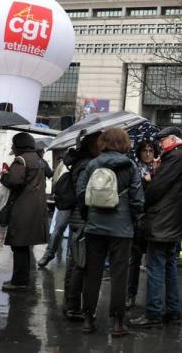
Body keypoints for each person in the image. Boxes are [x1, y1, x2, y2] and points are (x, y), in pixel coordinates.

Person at [76, 128, 144, 336]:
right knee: (119, 276)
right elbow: (137, 199)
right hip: (121, 230)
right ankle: (117, 323)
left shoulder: (92, 165)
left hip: (95, 227)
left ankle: (88, 319)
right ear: (124, 143)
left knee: (92, 273)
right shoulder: (130, 166)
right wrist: (132, 220)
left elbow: (81, 193)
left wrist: (89, 216)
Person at [129, 127, 182, 328]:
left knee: (156, 268)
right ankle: (172, 311)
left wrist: (150, 182)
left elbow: (158, 188)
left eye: (162, 141)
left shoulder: (176, 157)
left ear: (173, 139)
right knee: (169, 266)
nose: (159, 145)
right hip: (173, 221)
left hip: (161, 221)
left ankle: (153, 313)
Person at [0, 133, 49, 291]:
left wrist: (4, 177)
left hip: (23, 208)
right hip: (36, 207)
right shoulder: (38, 160)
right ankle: (22, 279)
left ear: (19, 145)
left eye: (14, 145)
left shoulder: (21, 160)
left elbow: (14, 181)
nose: (12, 148)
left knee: (19, 244)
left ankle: (19, 282)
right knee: (24, 245)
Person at [62, 132, 101, 321]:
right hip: (82, 218)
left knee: (75, 261)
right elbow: (84, 193)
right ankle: (72, 306)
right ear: (92, 145)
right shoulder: (87, 164)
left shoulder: (82, 162)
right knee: (80, 263)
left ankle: (69, 303)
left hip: (79, 217)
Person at [126, 139, 156, 309]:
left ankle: (152, 301)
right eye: (144, 150)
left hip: (153, 219)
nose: (147, 153)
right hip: (138, 219)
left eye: (150, 150)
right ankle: (130, 295)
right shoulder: (134, 168)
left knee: (153, 261)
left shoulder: (159, 168)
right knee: (134, 260)